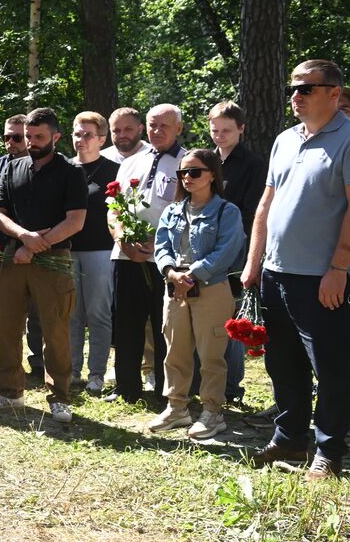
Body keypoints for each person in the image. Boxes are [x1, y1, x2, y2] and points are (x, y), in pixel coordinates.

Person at [245, 60, 350, 481]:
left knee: (330, 367)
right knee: (283, 363)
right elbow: (266, 204)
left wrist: (340, 265)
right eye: (294, 88)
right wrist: (254, 262)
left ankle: (329, 451)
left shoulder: (347, 138)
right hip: (276, 272)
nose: (296, 96)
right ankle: (289, 437)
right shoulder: (286, 139)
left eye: (306, 89)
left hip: (322, 277)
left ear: (334, 93)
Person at [0, 107, 87, 422]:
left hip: (53, 259)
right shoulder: (11, 168)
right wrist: (24, 236)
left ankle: (60, 398)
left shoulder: (71, 172)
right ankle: (10, 393)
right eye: (28, 136)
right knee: (7, 326)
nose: (31, 142)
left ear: (56, 136)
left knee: (55, 329)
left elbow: (76, 221)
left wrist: (37, 245)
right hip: (14, 256)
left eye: (39, 137)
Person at [149, 148, 244, 438]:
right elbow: (161, 246)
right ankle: (177, 408)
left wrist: (193, 274)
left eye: (194, 172)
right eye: (183, 172)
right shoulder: (172, 210)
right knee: (174, 350)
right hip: (175, 289)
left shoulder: (227, 211)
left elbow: (227, 250)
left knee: (211, 355)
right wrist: (171, 272)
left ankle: (212, 412)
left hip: (211, 289)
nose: (186, 177)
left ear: (212, 175)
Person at [106, 104, 184, 403]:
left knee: (166, 326)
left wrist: (160, 242)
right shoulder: (131, 162)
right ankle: (127, 388)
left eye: (164, 126)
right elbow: (113, 208)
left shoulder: (188, 162)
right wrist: (122, 237)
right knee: (126, 323)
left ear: (179, 127)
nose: (157, 131)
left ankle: (167, 391)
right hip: (126, 256)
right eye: (152, 125)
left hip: (167, 259)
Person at [202, 100, 266, 405]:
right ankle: (208, 383)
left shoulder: (253, 164)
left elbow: (252, 211)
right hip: (205, 248)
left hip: (236, 248)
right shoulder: (206, 160)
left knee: (230, 317)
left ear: (241, 129)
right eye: (214, 129)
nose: (219, 135)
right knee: (208, 315)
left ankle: (231, 388)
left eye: (226, 130)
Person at [0, 115, 43, 373]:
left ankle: (37, 358)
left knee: (37, 307)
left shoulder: (43, 167)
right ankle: (0, 355)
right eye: (7, 137)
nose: (12, 143)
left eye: (18, 137)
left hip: (36, 245)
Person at [69, 112, 119, 394]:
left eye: (88, 135)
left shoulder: (113, 170)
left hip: (100, 250)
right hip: (67, 250)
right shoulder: (64, 167)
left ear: (102, 139)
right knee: (71, 314)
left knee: (98, 313)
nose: (81, 140)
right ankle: (72, 370)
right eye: (77, 133)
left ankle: (96, 373)